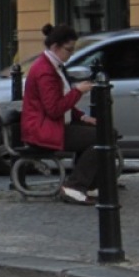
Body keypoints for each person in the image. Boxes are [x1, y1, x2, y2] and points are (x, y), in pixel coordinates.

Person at [21, 23, 100, 205]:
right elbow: (54, 108)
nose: (71, 54)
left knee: (103, 132)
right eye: (69, 49)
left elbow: (60, 101)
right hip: (44, 129)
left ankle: (87, 183)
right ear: (56, 47)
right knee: (100, 138)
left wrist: (82, 117)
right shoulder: (45, 71)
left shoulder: (53, 66)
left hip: (52, 125)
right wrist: (78, 91)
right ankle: (75, 186)